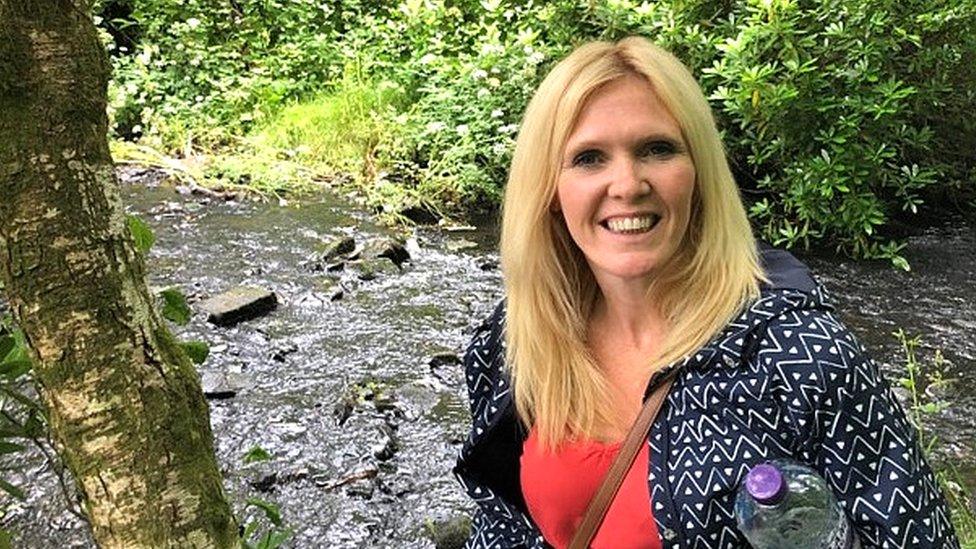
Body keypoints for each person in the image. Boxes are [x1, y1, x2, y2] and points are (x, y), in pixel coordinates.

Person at [453, 36, 959, 548]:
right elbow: (502, 517)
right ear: (550, 192)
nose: (627, 184)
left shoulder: (801, 356)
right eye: (588, 158)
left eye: (657, 149)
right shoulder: (519, 342)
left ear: (699, 176)